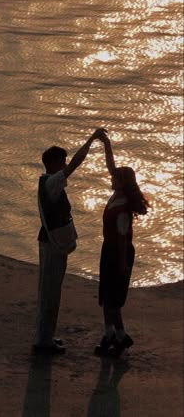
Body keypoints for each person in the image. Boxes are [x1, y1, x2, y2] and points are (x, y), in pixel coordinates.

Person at [33, 127, 107, 355]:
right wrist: (92, 139)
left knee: (49, 290)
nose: (65, 166)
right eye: (62, 162)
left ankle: (45, 336)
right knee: (50, 291)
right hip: (52, 245)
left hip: (50, 242)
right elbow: (76, 164)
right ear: (54, 164)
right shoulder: (52, 182)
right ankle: (43, 341)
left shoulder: (48, 182)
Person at [95, 132, 149, 357]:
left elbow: (121, 239)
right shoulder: (117, 194)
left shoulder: (123, 208)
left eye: (115, 177)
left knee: (112, 299)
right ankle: (113, 336)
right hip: (110, 249)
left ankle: (117, 336)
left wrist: (123, 264)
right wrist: (106, 143)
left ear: (121, 182)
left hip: (119, 252)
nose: (110, 177)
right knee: (108, 298)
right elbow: (111, 166)